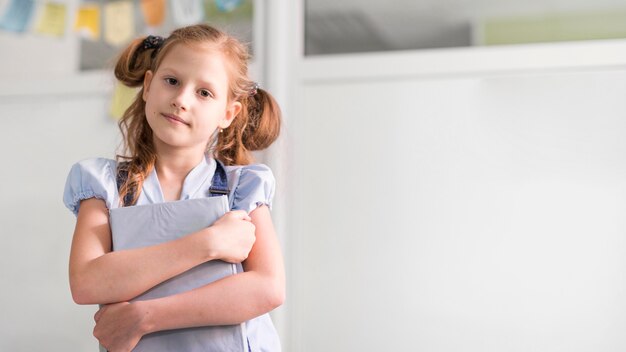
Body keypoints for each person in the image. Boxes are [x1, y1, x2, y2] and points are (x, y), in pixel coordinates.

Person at [63, 24, 284, 352]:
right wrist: (208, 243)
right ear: (149, 85)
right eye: (172, 81)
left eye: (204, 92)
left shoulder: (244, 188)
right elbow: (87, 282)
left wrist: (144, 316)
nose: (181, 99)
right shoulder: (103, 185)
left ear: (228, 112)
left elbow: (267, 289)